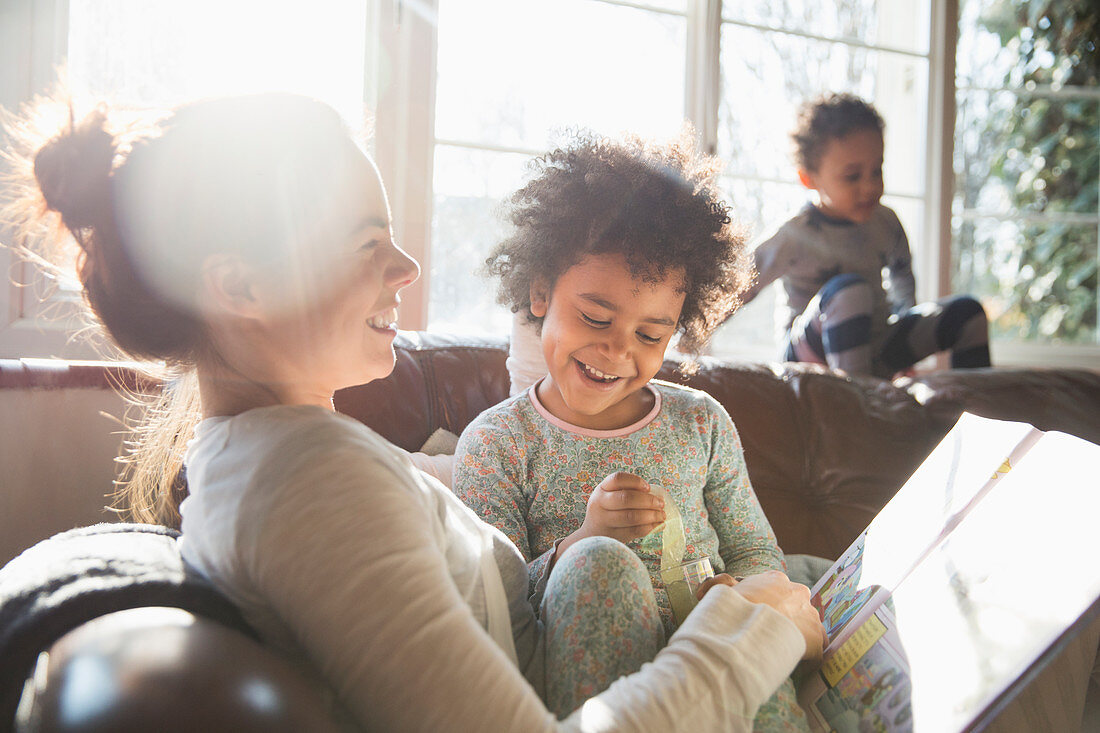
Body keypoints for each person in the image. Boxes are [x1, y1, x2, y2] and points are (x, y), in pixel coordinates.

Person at [4, 91, 824, 731]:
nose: (407, 265)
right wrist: (757, 633)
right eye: (367, 243)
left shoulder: (289, 457)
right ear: (241, 287)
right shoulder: (307, 487)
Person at [455, 130, 811, 730]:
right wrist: (583, 539)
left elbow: (756, 551)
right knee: (599, 562)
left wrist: (738, 589)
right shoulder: (498, 443)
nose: (617, 349)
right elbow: (495, 602)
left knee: (748, 616)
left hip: (713, 665)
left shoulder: (701, 422)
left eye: (651, 335)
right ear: (540, 293)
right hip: (594, 676)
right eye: (595, 317)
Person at [738, 92, 991, 379]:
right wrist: (690, 336)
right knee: (850, 292)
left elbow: (902, 277)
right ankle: (861, 405)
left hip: (877, 349)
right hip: (810, 361)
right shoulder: (794, 234)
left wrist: (905, 331)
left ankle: (977, 413)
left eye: (877, 170)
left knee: (967, 313)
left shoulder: (885, 222)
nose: (870, 186)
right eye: (852, 176)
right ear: (809, 178)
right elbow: (736, 288)